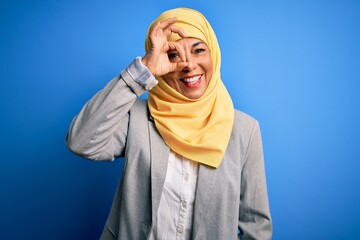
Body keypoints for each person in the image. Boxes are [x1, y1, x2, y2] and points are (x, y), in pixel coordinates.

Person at [66, 7, 272, 240]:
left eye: (199, 50)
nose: (188, 64)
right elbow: (81, 142)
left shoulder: (245, 130)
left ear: (213, 53)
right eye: (173, 55)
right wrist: (143, 70)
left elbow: (256, 226)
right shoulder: (137, 118)